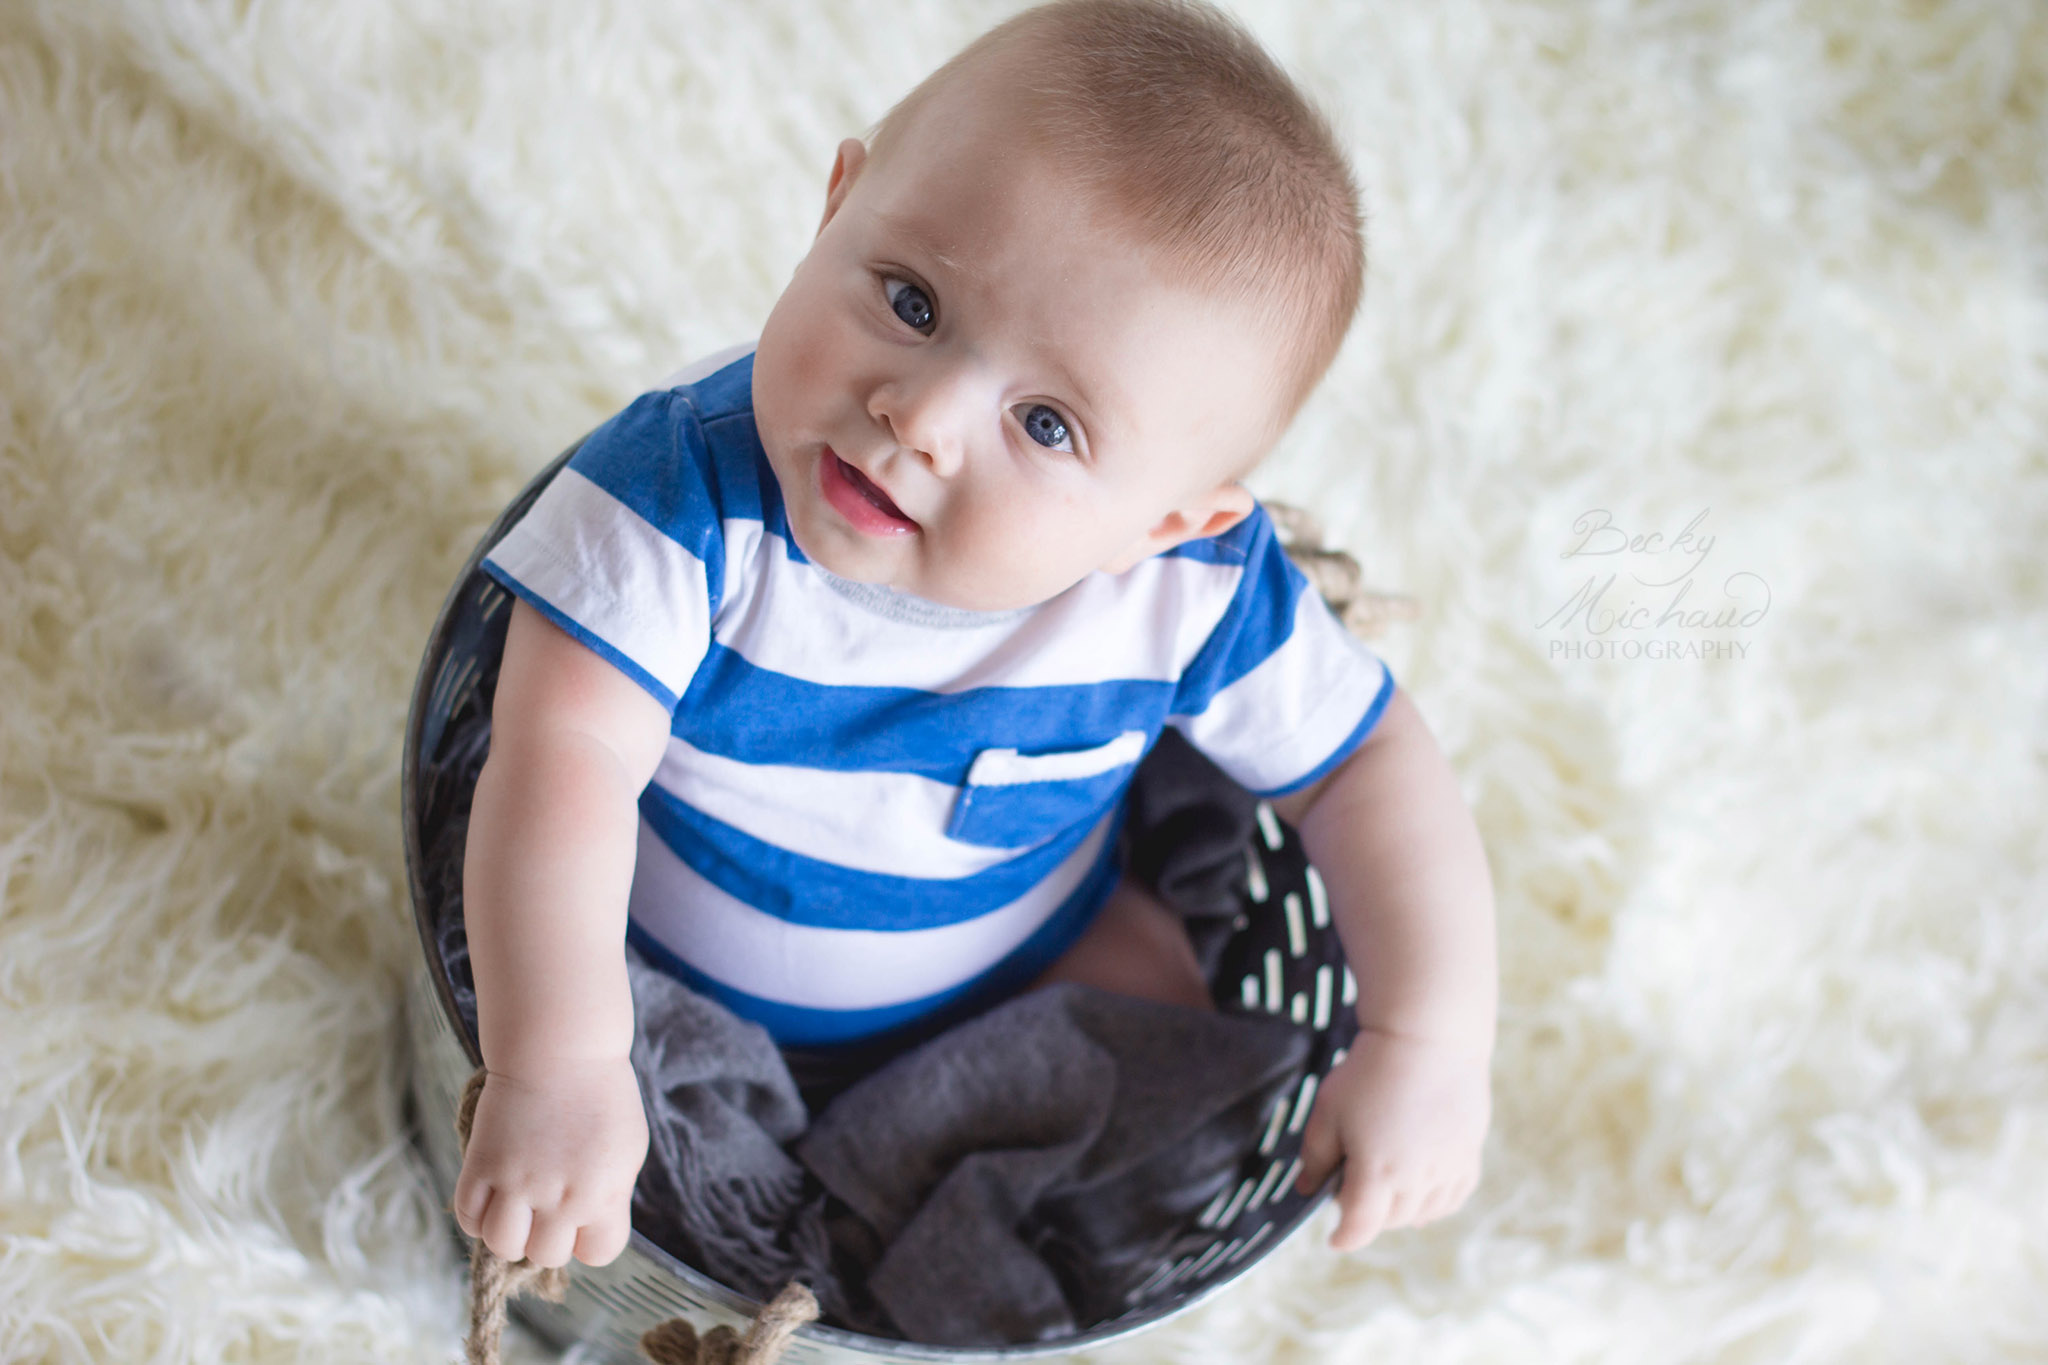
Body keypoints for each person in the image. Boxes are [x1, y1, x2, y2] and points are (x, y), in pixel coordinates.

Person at [451, 0, 1496, 1280]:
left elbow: (1362, 766)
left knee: (1175, 1043)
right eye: (909, 299)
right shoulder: (680, 500)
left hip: (1019, 958)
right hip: (664, 985)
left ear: (1166, 519)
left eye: (1047, 426)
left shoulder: (1190, 592)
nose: (922, 412)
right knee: (618, 1176)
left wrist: (1425, 1043)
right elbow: (559, 752)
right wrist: (556, 1063)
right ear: (836, 203)